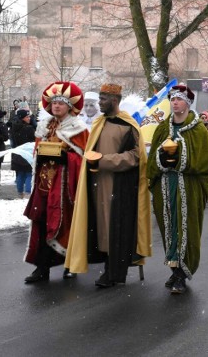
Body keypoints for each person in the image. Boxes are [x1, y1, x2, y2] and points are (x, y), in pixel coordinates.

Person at [65, 83, 152, 288]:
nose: (100, 103)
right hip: (96, 184)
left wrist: (104, 160)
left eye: (103, 99)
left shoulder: (128, 125)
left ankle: (114, 272)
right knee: (101, 228)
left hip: (119, 185)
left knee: (117, 228)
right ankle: (106, 265)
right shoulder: (98, 123)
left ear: (114, 100)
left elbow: (135, 156)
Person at [147, 84, 208, 294]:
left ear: (188, 103)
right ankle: (174, 267)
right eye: (172, 99)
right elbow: (151, 160)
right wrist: (161, 160)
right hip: (166, 186)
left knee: (186, 227)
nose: (175, 103)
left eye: (179, 99)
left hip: (188, 186)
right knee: (169, 228)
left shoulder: (198, 130)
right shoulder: (162, 128)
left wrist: (182, 162)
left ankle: (182, 274)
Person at [23, 82, 89, 283]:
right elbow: (37, 152)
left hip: (65, 187)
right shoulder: (44, 127)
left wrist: (66, 159)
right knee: (41, 222)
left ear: (70, 106)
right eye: (54, 103)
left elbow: (84, 159)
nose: (57, 106)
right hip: (44, 184)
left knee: (66, 223)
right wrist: (40, 158)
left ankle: (70, 264)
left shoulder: (78, 129)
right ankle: (42, 268)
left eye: (61, 103)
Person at [10, 109, 35, 198]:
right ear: (22, 118)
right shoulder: (29, 128)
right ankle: (28, 193)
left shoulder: (14, 127)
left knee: (20, 173)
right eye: (27, 117)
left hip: (17, 152)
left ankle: (20, 192)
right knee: (29, 173)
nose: (29, 118)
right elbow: (33, 141)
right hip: (27, 153)